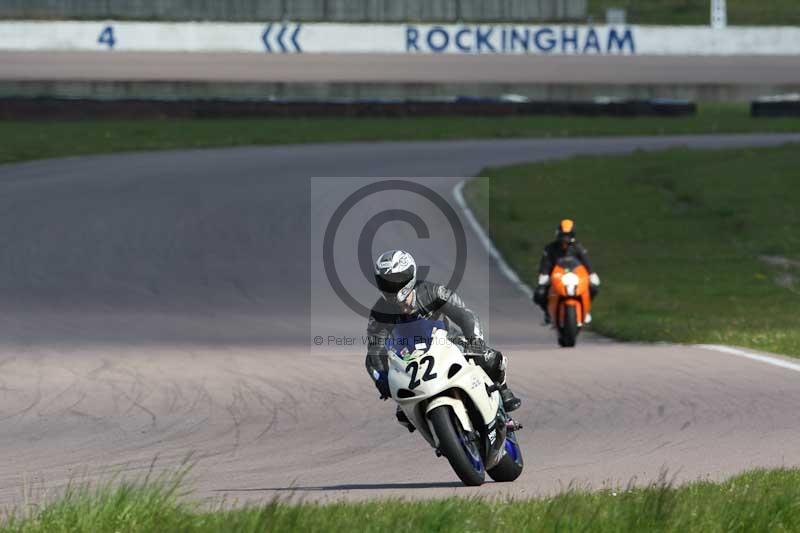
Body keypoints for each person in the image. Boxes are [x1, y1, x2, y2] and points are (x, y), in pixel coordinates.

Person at [365, 250, 521, 432]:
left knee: (490, 358)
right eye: (386, 281)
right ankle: (440, 434)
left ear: (410, 275)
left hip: (449, 344)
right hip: (410, 360)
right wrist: (381, 379)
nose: (391, 285)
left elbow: (465, 315)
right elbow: (375, 350)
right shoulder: (379, 312)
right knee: (402, 413)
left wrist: (475, 341)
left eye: (397, 278)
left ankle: (502, 390)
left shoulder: (433, 291)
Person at [533, 219, 600, 325]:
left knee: (593, 288)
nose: (565, 238)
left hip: (575, 276)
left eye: (568, 235)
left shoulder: (578, 247)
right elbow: (545, 263)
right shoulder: (550, 248)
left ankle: (585, 309)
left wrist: (591, 273)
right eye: (563, 235)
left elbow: (585, 260)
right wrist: (544, 274)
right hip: (555, 277)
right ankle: (548, 313)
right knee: (539, 294)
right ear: (558, 234)